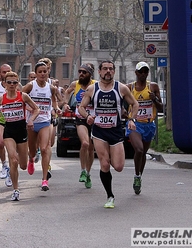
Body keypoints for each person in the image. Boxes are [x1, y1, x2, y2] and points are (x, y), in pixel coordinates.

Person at [78, 60, 138, 208]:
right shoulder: (93, 89)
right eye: (105, 69)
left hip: (115, 130)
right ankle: (110, 196)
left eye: (111, 69)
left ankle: (112, 156)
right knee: (104, 164)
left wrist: (132, 119)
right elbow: (81, 107)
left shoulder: (121, 88)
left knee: (118, 166)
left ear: (114, 72)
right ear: (99, 72)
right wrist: (87, 116)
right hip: (99, 131)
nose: (108, 71)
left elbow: (135, 104)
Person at [0, 72, 39, 201]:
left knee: (22, 165)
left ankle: (29, 157)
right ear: (4, 84)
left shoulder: (23, 96)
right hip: (9, 131)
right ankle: (16, 190)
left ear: (18, 84)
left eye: (15, 82)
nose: (12, 85)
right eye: (9, 82)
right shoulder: (1, 99)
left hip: (21, 130)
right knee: (13, 159)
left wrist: (31, 120)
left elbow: (36, 109)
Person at [22, 61, 62, 191]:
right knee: (33, 150)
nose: (43, 74)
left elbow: (55, 101)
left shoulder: (51, 88)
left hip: (45, 121)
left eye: (45, 71)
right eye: (40, 72)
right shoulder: (30, 86)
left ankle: (44, 180)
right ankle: (31, 159)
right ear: (36, 73)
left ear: (48, 72)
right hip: (32, 123)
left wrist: (56, 109)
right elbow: (19, 98)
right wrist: (28, 108)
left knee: (45, 148)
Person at [126, 62, 163, 195]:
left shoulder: (152, 87)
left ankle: (139, 176)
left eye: (145, 72)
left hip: (149, 124)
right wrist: (125, 114)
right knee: (139, 150)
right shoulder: (129, 87)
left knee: (143, 153)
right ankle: (136, 176)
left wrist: (154, 100)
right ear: (136, 73)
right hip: (135, 124)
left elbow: (161, 108)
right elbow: (119, 102)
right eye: (140, 72)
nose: (143, 74)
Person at [63, 64, 96, 189]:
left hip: (94, 120)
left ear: (90, 74)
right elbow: (67, 92)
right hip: (81, 119)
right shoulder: (75, 84)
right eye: (80, 71)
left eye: (84, 72)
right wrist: (66, 103)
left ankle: (88, 173)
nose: (81, 74)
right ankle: (82, 170)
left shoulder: (95, 85)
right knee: (85, 144)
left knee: (91, 148)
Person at [0, 64, 21, 186]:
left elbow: (24, 99)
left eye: (8, 71)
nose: (6, 74)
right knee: (0, 142)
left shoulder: (17, 86)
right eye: (3, 72)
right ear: (0, 73)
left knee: (13, 150)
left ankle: (11, 172)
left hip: (14, 119)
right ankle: (4, 164)